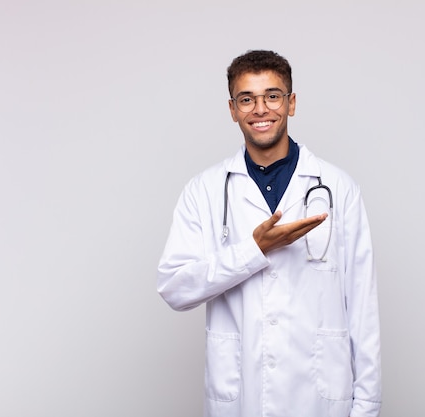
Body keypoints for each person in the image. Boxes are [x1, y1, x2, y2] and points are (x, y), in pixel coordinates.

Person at [157, 50, 382, 417]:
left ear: (291, 103)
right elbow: (174, 288)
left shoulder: (338, 188)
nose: (260, 109)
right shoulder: (205, 191)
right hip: (241, 393)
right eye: (247, 99)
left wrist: (367, 407)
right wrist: (252, 250)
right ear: (233, 110)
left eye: (272, 96)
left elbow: (362, 305)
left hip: (320, 394)